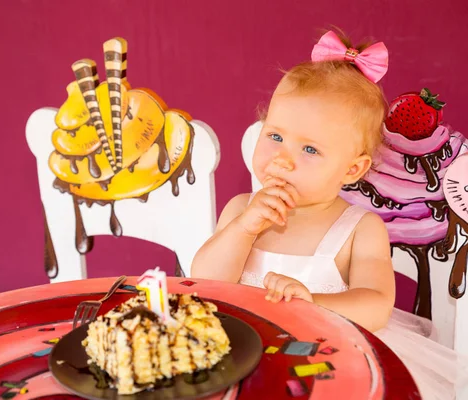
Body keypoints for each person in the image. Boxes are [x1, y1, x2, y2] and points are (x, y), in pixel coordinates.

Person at [191, 30, 468, 399]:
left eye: (309, 149)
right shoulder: (242, 209)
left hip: (328, 367)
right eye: (275, 136)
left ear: (352, 170)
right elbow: (205, 281)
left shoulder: (359, 229)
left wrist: (313, 304)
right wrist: (243, 229)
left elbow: (376, 305)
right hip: (243, 359)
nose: (283, 158)